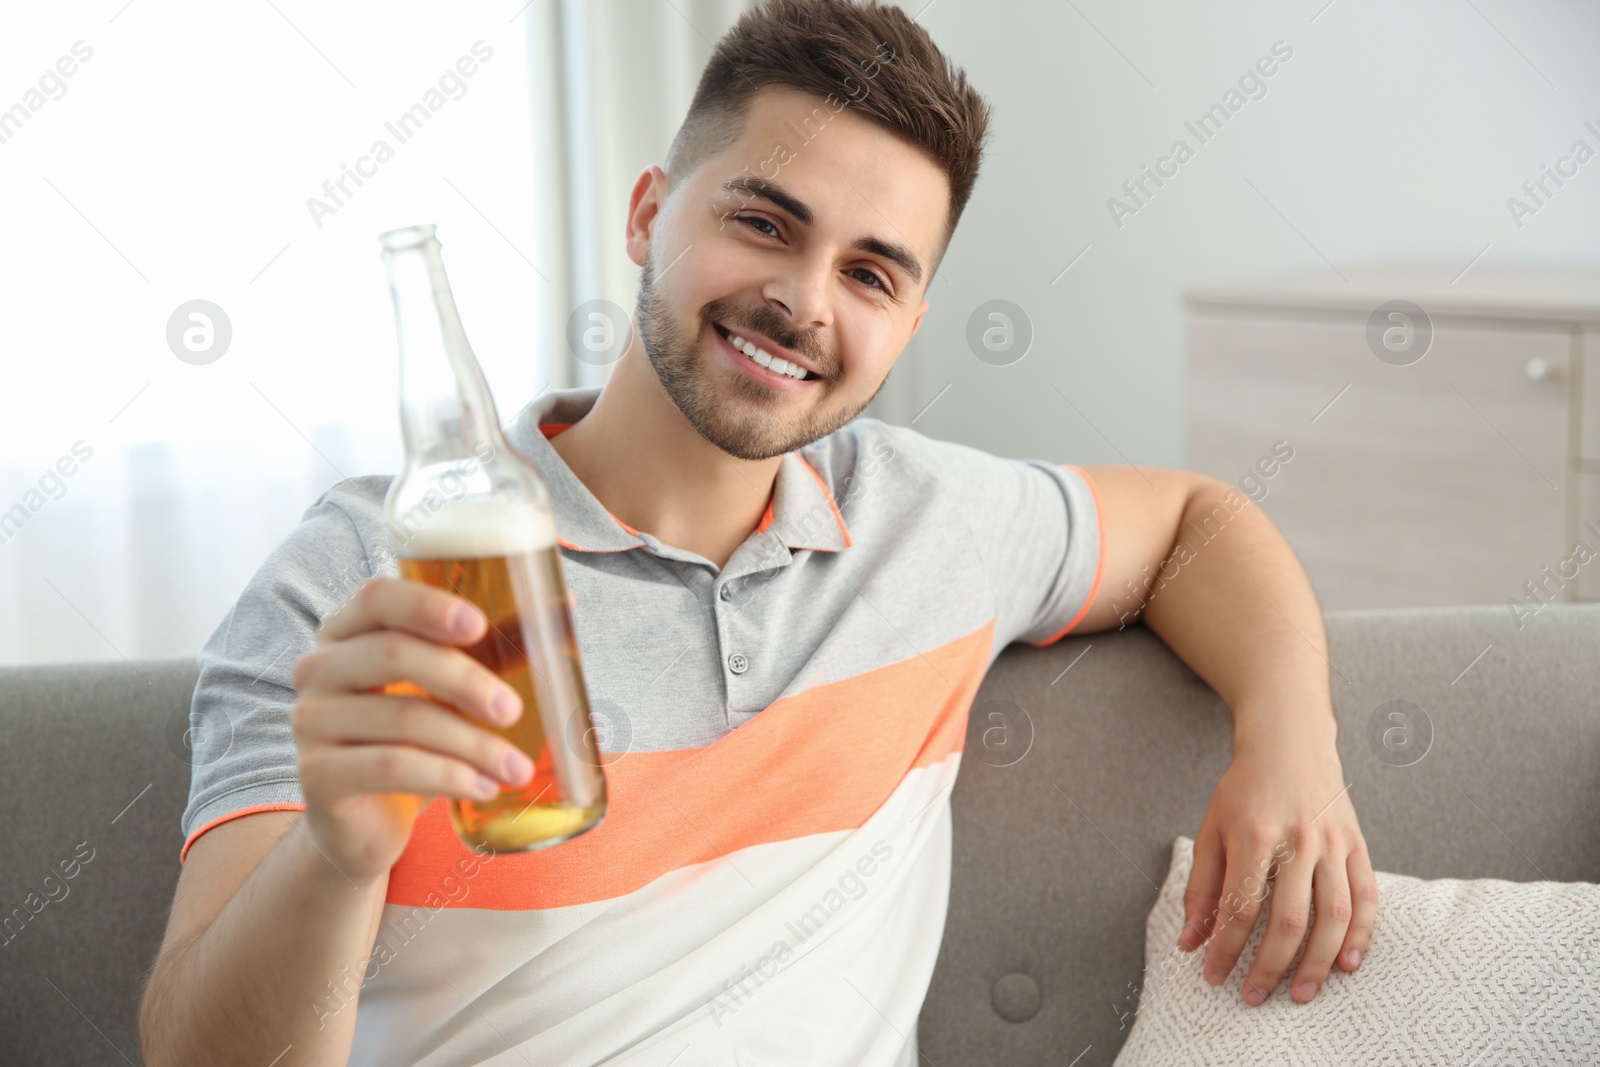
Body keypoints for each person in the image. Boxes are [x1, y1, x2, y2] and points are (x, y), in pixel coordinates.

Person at [138, 1, 1376, 1063]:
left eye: (871, 274)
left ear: (909, 317)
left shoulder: (935, 519)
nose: (802, 301)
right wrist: (339, 853)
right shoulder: (363, 574)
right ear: (645, 216)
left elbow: (1196, 520)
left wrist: (1291, 744)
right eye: (765, 222)